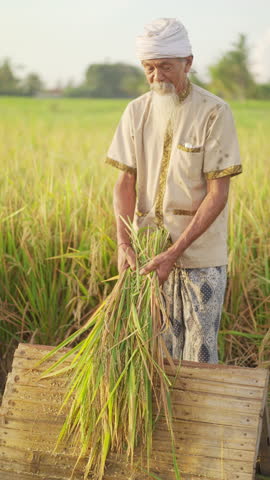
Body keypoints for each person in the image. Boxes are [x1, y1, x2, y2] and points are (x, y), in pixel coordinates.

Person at [106, 18, 242, 364]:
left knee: (199, 355)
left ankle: (200, 419)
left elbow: (218, 194)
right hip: (147, 256)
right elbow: (124, 183)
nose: (157, 78)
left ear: (188, 63)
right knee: (154, 355)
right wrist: (124, 243)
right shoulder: (136, 111)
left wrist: (174, 253)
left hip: (201, 259)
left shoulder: (214, 112)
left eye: (165, 67)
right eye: (149, 69)